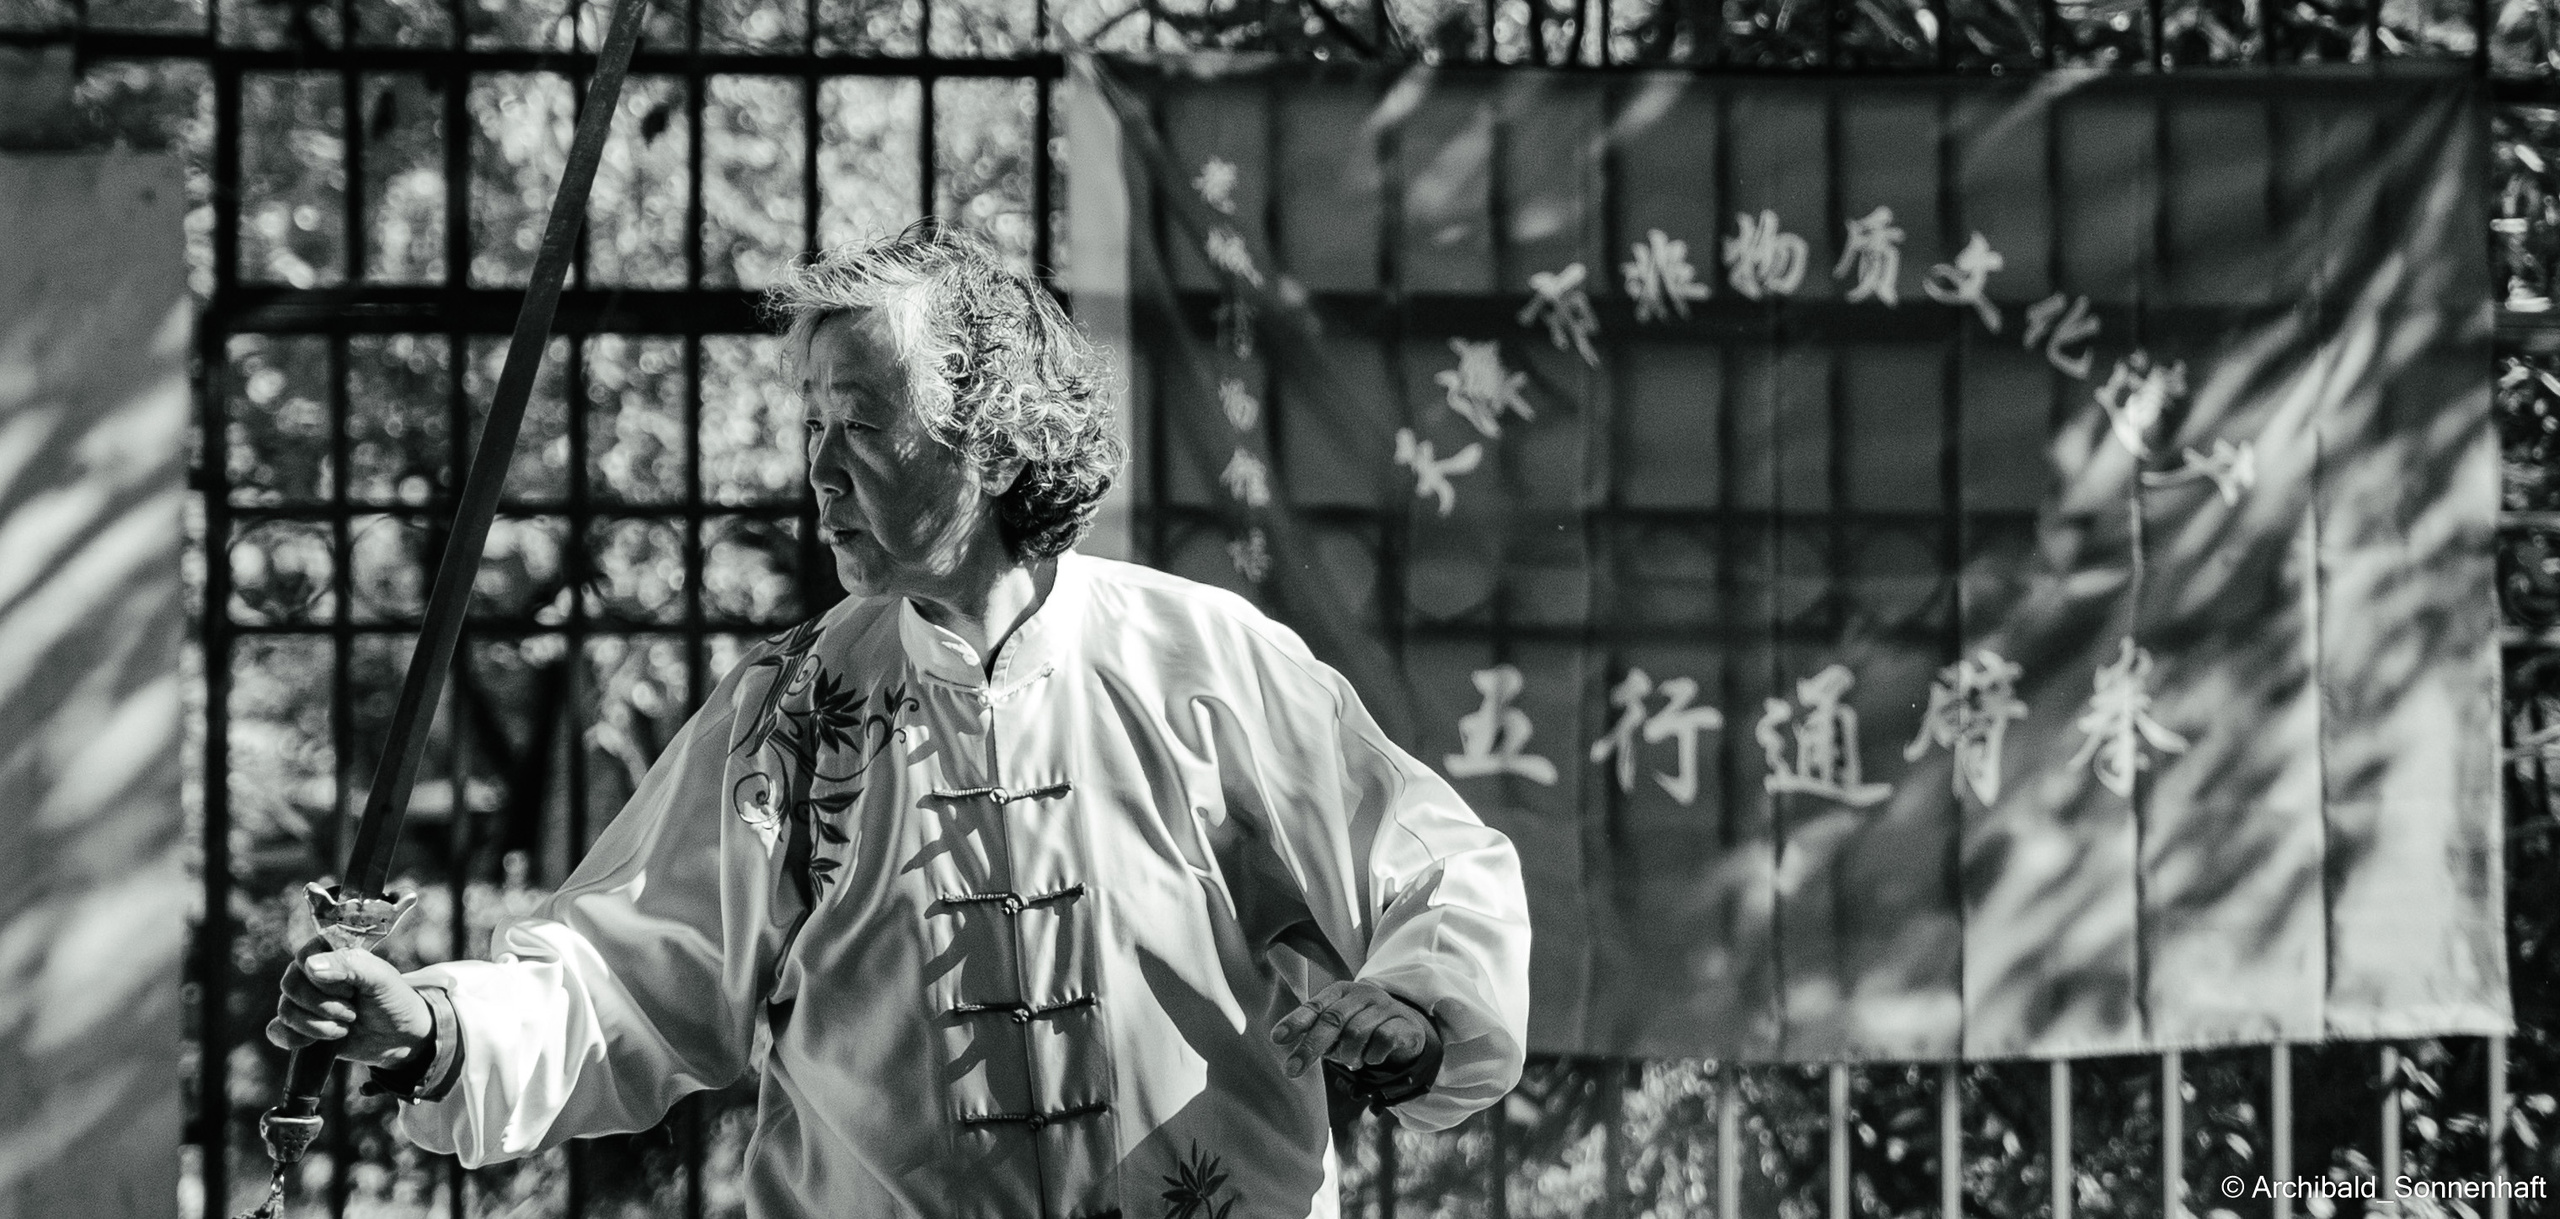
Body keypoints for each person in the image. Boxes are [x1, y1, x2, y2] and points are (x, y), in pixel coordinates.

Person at [268, 220, 1531, 1219]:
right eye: (812, 425)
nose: (818, 472)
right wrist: (436, 1026)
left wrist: (1411, 1010)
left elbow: (1431, 867)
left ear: (993, 440)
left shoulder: (1199, 662)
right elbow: (625, 972)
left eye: (863, 425)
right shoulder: (796, 704)